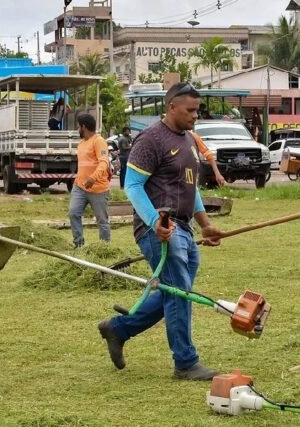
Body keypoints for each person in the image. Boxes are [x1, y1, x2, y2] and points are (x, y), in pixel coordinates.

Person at [97, 82, 224, 380]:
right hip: (158, 230)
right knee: (179, 292)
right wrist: (155, 222)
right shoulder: (151, 139)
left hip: (185, 228)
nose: (195, 115)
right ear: (171, 107)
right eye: (190, 110)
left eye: (197, 110)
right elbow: (132, 186)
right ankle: (186, 362)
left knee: (177, 292)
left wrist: (205, 224)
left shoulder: (189, 140)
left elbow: (189, 188)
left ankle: (118, 329)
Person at [68, 113, 111, 248]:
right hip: (80, 187)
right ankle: (78, 244)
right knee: (73, 213)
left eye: (78, 126)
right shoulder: (81, 144)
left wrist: (93, 178)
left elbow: (104, 162)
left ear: (84, 127)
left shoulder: (99, 141)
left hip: (98, 189)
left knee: (102, 220)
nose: (77, 129)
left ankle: (104, 247)